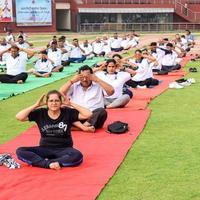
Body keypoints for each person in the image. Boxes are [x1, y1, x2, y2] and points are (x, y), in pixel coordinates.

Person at [16, 90, 92, 170]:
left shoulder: (67, 112)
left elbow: (88, 114)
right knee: (20, 151)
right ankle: (48, 164)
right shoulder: (40, 113)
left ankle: (46, 162)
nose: (54, 103)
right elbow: (19, 117)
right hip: (44, 149)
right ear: (47, 103)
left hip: (64, 149)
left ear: (61, 102)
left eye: (57, 101)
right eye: (51, 101)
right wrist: (36, 105)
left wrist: (70, 104)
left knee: (77, 156)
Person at [59, 65, 114, 132]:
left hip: (93, 117)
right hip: (77, 117)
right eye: (82, 77)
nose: (85, 80)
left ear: (92, 76)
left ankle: (79, 127)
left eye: (87, 77)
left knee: (102, 111)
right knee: (63, 109)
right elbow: (60, 93)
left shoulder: (98, 84)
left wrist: (97, 79)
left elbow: (111, 92)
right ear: (78, 76)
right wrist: (71, 81)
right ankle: (84, 127)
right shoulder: (74, 85)